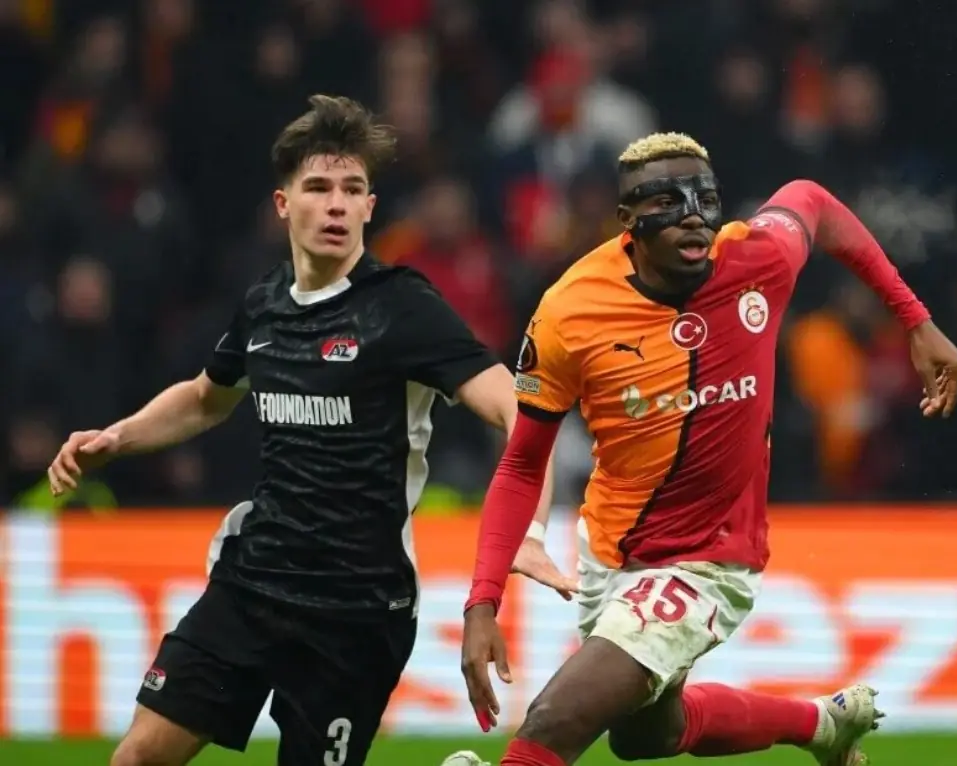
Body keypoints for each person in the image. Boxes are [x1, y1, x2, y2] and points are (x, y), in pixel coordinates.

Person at [46, 95, 575, 766]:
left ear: (370, 208)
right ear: (283, 203)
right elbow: (207, 397)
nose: (335, 205)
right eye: (319, 187)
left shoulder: (401, 307)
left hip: (357, 612)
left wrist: (528, 532)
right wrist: (115, 438)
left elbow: (519, 411)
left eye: (352, 190)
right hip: (252, 584)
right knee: (136, 759)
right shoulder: (264, 304)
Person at [454, 133, 957, 766]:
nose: (694, 215)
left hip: (711, 556)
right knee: (646, 737)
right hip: (612, 551)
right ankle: (823, 725)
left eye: (705, 198)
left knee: (557, 719)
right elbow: (523, 462)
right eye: (667, 201)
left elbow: (811, 200)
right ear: (627, 220)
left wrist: (915, 320)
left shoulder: (758, 260)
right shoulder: (570, 312)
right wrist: (483, 602)